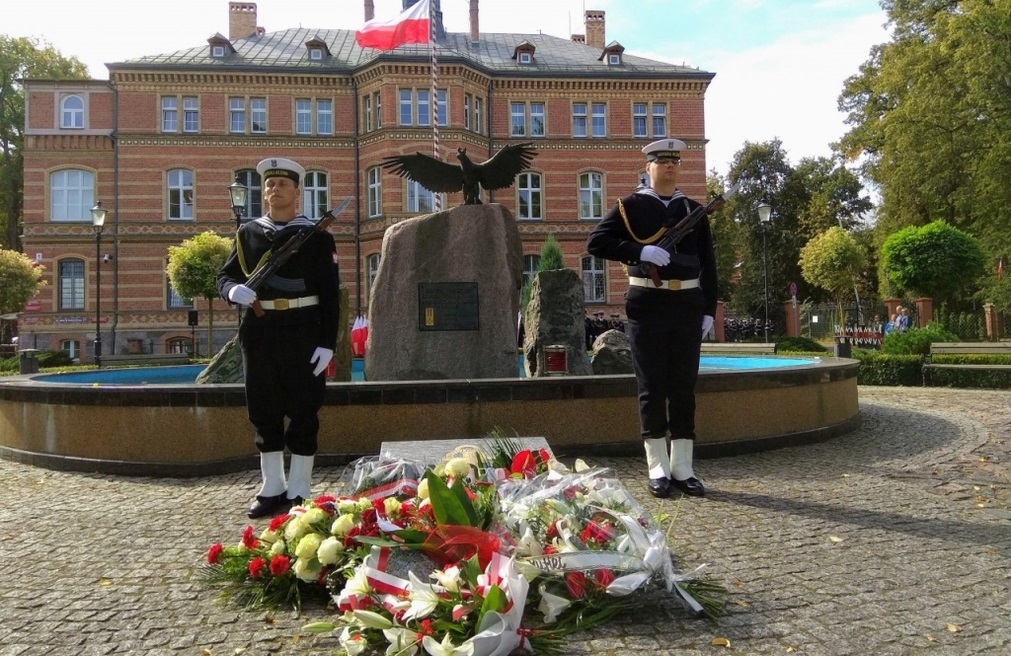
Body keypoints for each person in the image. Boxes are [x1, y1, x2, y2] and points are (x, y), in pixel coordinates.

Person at [586, 138, 717, 498]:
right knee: (652, 386)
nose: (669, 166)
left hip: (687, 304)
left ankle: (683, 467)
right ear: (648, 167)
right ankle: (658, 467)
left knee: (684, 386)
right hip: (647, 304)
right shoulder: (630, 206)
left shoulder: (693, 209)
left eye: (675, 161)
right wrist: (639, 251)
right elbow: (596, 242)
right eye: (662, 161)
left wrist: (708, 309)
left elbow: (709, 264)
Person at [217, 157, 340, 519]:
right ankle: (272, 487)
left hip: (304, 331)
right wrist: (232, 291)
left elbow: (330, 295)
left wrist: (327, 343)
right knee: (263, 409)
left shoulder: (318, 237)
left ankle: (300, 489)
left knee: (304, 410)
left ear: (297, 191)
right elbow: (224, 276)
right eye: (270, 184)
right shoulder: (248, 234)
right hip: (260, 331)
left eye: (283, 184)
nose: (275, 189)